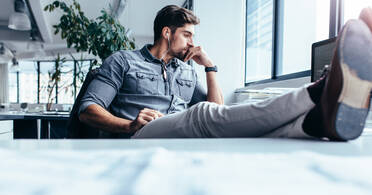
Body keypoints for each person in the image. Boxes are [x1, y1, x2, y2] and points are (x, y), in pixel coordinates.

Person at [78, 5, 372, 141]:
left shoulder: (186, 71)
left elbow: (218, 111)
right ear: (166, 33)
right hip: (140, 136)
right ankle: (321, 90)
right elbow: (88, 110)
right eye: (187, 35)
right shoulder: (123, 61)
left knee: (244, 127)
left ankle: (315, 122)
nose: (193, 42)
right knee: (199, 114)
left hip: (177, 135)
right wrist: (129, 124)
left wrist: (209, 68)